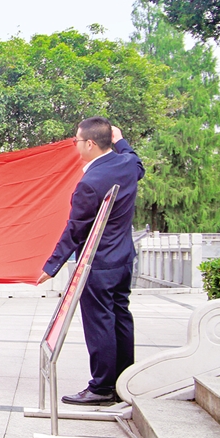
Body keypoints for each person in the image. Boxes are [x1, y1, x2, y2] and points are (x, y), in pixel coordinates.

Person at [38, 117, 144, 405]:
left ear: (90, 143)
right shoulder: (127, 164)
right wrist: (121, 141)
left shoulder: (91, 182)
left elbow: (76, 230)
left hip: (98, 264)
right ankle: (123, 381)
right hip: (123, 259)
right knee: (120, 317)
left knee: (100, 323)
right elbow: (137, 162)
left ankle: (102, 387)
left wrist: (51, 266)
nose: (75, 145)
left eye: (77, 140)